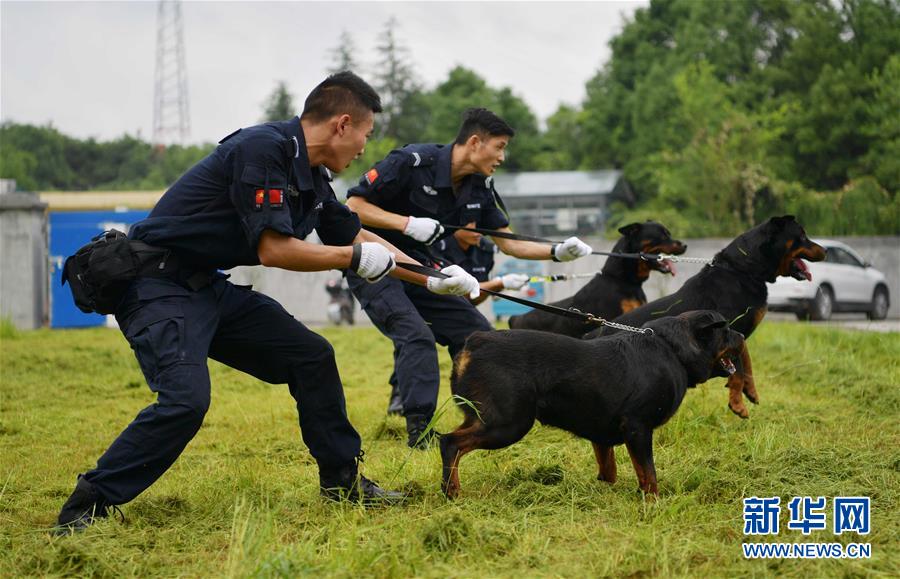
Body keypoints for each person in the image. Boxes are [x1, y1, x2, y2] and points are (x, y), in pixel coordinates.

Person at [53, 72, 481, 534]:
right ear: (342, 124)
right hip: (157, 288)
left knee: (311, 356)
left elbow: (354, 233)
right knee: (185, 402)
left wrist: (431, 276)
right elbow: (275, 250)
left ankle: (343, 482)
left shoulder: (311, 177)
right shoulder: (263, 150)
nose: (363, 148)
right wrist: (355, 259)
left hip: (203, 285)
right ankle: (86, 505)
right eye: (365, 134)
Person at [345, 108, 593, 448]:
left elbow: (507, 241)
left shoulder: (480, 185)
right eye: (500, 147)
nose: (502, 157)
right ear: (475, 142)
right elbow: (354, 206)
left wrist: (555, 251)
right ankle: (419, 430)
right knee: (415, 335)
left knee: (476, 337)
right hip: (375, 262)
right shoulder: (411, 162)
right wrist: (405, 224)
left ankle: (484, 414)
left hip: (422, 265)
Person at [385, 226, 529, 414]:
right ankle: (401, 396)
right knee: (415, 334)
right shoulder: (436, 245)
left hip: (451, 301)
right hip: (419, 290)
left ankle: (479, 398)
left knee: (480, 332)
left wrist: (496, 286)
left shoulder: (484, 251)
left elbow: (471, 297)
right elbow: (444, 285)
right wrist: (498, 283)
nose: (478, 230)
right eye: (471, 225)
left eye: (481, 225)